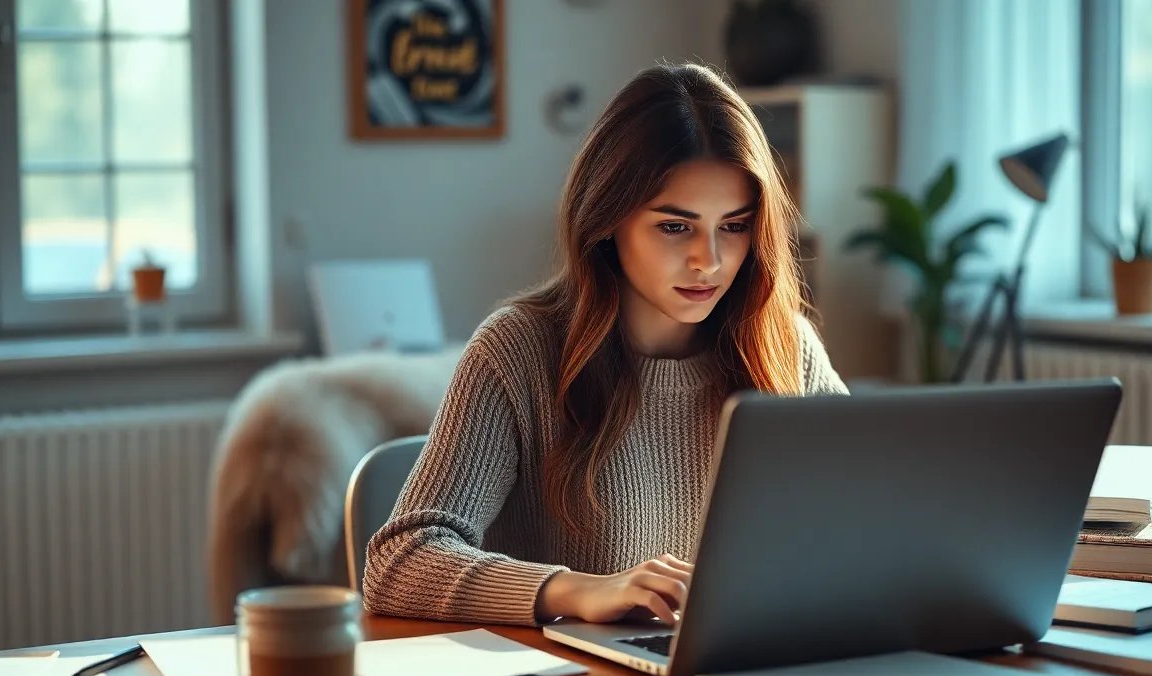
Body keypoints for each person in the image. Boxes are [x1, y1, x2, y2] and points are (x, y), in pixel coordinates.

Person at [363, 62, 848, 628]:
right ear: (607, 219)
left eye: (734, 226)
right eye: (675, 226)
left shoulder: (785, 345)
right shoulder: (519, 352)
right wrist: (575, 591)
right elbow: (398, 563)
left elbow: (870, 520)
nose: (709, 260)